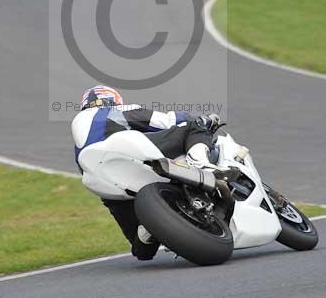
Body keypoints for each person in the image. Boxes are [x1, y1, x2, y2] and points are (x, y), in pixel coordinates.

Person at [71, 85, 221, 261]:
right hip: (122, 153)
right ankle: (201, 164)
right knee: (193, 126)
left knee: (142, 251)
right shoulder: (114, 110)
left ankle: (146, 230)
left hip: (106, 182)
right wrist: (203, 120)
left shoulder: (79, 134)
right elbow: (167, 120)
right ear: (114, 100)